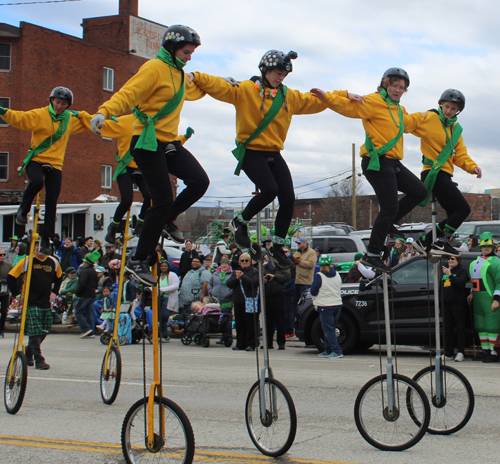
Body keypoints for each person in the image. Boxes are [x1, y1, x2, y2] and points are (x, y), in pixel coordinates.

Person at [189, 50, 342, 268]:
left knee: (288, 197)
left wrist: (340, 97)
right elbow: (219, 86)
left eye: (284, 75)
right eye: (277, 73)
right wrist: (195, 76)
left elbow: (316, 102)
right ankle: (239, 222)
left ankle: (278, 247)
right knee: (269, 190)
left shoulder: (288, 96)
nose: (281, 78)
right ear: (265, 70)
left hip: (273, 152)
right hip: (251, 150)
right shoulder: (246, 90)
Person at [90, 25, 209, 286]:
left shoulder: (178, 74)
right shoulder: (154, 68)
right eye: (186, 52)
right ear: (172, 48)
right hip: (146, 141)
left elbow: (192, 92)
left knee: (200, 182)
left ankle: (166, 220)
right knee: (161, 198)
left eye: (192, 53)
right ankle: (138, 259)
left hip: (167, 142)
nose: (189, 57)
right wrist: (104, 111)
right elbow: (128, 93)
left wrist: (221, 87)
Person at [311, 68, 428, 272]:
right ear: (385, 83)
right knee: (388, 208)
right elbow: (348, 108)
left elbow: (409, 124)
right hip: (376, 162)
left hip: (393, 163)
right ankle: (372, 254)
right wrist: (331, 96)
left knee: (419, 191)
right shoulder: (374, 102)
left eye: (402, 88)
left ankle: (390, 223)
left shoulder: (399, 110)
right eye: (394, 86)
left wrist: (428, 116)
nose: (398, 90)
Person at [0, 87, 89, 254]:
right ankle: (23, 210)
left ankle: (46, 240)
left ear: (68, 105)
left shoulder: (69, 119)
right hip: (37, 159)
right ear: (51, 100)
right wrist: (3, 111)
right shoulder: (40, 114)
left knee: (52, 201)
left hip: (56, 163)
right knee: (36, 182)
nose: (60, 106)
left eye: (64, 103)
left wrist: (96, 117)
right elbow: (21, 118)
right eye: (57, 102)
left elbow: (88, 122)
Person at [411, 89, 482, 257]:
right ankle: (442, 242)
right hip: (433, 173)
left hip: (444, 175)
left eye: (453, 109)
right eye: (446, 106)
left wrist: (472, 167)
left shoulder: (456, 129)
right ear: (441, 104)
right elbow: (407, 123)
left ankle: (424, 241)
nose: (448, 111)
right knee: (463, 209)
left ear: (458, 111)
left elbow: (460, 155)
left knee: (453, 214)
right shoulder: (430, 118)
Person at [7, 240, 62, 369]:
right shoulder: (27, 260)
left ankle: (28, 353)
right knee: (35, 332)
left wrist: (54, 292)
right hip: (31, 301)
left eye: (41, 245)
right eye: (36, 245)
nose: (39, 248)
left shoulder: (53, 261)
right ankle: (39, 359)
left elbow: (59, 277)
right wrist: (18, 295)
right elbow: (11, 277)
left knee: (43, 331)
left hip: (45, 302)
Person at [467, 232, 500, 363]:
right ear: (480, 247)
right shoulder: (475, 262)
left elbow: (499, 281)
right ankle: (485, 350)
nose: (486, 249)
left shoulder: (496, 262)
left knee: (492, 325)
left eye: (488, 246)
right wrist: (471, 293)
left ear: (492, 247)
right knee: (480, 325)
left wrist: (497, 299)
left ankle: (494, 352)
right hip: (478, 298)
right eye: (484, 246)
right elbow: (474, 280)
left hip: (489, 298)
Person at [310, 254, 343, 359]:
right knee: (331, 328)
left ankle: (337, 350)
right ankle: (328, 349)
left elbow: (313, 291)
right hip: (337, 304)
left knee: (328, 330)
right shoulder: (337, 274)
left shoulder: (319, 276)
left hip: (325, 305)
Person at [227, 253, 260, 351]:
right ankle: (240, 343)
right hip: (238, 301)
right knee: (239, 323)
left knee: (250, 323)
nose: (244, 262)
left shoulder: (254, 271)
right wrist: (236, 278)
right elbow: (229, 284)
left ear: (250, 262)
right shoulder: (236, 271)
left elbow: (253, 283)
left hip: (249, 301)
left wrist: (242, 277)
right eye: (242, 261)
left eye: (246, 260)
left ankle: (251, 344)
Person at [441, 254, 469, 362]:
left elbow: (461, 283)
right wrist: (440, 303)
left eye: (452, 259)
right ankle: (448, 352)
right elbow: (441, 286)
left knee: (460, 327)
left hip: (457, 303)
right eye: (448, 259)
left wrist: (450, 275)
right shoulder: (445, 270)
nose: (450, 260)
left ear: (458, 260)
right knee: (447, 328)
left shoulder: (462, 271)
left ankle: (460, 352)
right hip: (446, 303)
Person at [290, 237, 317, 337]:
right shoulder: (297, 253)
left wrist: (299, 262)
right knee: (293, 304)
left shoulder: (311, 253)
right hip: (296, 281)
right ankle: (292, 325)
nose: (298, 245)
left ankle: (304, 324)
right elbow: (293, 260)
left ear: (305, 244)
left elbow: (311, 264)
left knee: (305, 304)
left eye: (299, 243)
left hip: (305, 281)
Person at [264, 259, 291, 350]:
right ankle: (268, 342)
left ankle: (281, 342)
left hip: (278, 295)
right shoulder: (265, 267)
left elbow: (287, 277)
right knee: (268, 320)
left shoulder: (282, 266)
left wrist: (274, 276)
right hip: (267, 295)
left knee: (280, 320)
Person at [73, 250, 100, 338]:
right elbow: (96, 284)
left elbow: (81, 283)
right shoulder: (94, 271)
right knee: (90, 312)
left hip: (84, 294)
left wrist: (77, 292)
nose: (83, 262)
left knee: (78, 312)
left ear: (87, 263)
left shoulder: (84, 272)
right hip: (92, 294)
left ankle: (86, 329)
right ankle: (91, 331)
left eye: (84, 261)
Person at [208, 258, 234, 344]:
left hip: (227, 300)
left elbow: (234, 286)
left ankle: (228, 336)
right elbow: (210, 284)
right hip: (216, 301)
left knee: (226, 319)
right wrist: (211, 291)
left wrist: (229, 293)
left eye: (225, 264)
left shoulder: (231, 274)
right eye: (222, 264)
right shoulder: (215, 274)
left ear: (228, 265)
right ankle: (222, 337)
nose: (224, 265)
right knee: (219, 319)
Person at [158, 260, 180, 343]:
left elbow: (175, 286)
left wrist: (161, 290)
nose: (163, 268)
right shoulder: (158, 276)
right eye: (162, 266)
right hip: (159, 298)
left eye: (165, 266)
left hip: (168, 298)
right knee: (160, 317)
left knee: (164, 316)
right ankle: (163, 335)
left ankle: (165, 335)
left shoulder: (172, 275)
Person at [0, 250, 13, 338]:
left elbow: (13, 277)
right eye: (0, 255)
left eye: (4, 254)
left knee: (4, 311)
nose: (2, 256)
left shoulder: (8, 265)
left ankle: (1, 329)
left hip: (4, 292)